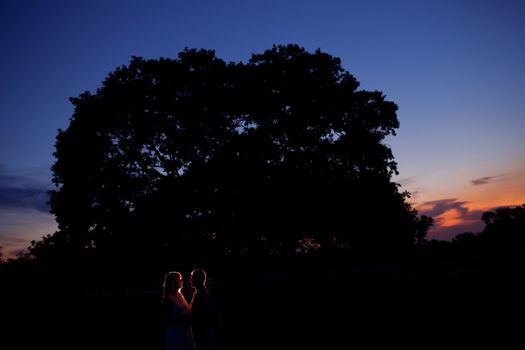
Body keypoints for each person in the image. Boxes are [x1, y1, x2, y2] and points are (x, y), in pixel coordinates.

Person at [161, 271, 196, 350]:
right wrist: (182, 316)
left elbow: (186, 310)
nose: (182, 281)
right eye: (180, 279)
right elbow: (165, 319)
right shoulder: (168, 299)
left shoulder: (180, 295)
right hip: (175, 334)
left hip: (185, 333)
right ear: (174, 282)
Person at [189, 268, 221, 350]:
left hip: (203, 333)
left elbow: (209, 314)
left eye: (192, 277)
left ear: (197, 279)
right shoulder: (200, 293)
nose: (190, 280)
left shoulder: (201, 295)